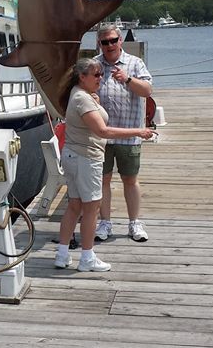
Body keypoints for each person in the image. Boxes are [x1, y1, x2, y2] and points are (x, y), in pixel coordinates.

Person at [55, 58, 155, 272]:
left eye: (102, 74)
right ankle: (87, 258)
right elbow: (103, 131)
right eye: (96, 75)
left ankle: (62, 255)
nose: (101, 78)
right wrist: (139, 131)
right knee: (92, 208)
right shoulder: (82, 99)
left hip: (72, 155)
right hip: (85, 157)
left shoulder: (78, 93)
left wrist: (96, 101)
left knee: (74, 205)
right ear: (82, 77)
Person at [93, 22, 153, 243]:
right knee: (103, 179)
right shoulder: (94, 65)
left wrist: (127, 79)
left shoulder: (135, 63)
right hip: (102, 135)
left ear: (120, 41)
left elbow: (147, 90)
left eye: (112, 40)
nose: (109, 45)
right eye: (104, 42)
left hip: (129, 134)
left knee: (130, 179)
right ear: (99, 44)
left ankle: (134, 223)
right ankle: (105, 222)